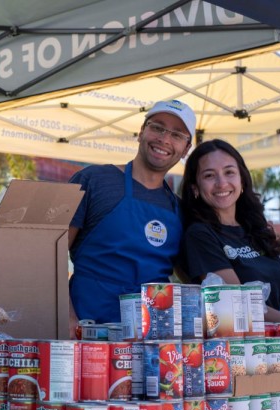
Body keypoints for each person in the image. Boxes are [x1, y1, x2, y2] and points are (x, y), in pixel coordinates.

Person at [68, 99, 196, 337]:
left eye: (177, 134)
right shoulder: (94, 181)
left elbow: (190, 278)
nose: (164, 139)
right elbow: (49, 258)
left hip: (150, 339)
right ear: (141, 132)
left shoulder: (179, 209)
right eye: (157, 127)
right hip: (87, 330)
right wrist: (67, 318)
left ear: (186, 149)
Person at [180, 138, 280, 324]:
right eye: (209, 175)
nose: (222, 183)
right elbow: (238, 304)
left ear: (242, 179)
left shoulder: (257, 229)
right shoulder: (200, 235)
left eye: (229, 172)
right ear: (195, 188)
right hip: (245, 348)